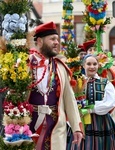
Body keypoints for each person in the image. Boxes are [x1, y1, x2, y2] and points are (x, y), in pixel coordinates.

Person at [28, 21, 83, 150]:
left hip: (56, 127)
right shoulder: (26, 64)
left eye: (57, 39)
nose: (57, 42)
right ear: (40, 41)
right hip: (30, 124)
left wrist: (77, 128)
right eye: (52, 39)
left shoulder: (60, 67)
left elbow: (69, 99)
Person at [67, 54, 115, 150]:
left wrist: (91, 109)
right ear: (83, 66)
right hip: (80, 121)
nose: (92, 67)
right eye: (89, 64)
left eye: (94, 64)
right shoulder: (76, 82)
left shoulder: (105, 82)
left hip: (101, 123)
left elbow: (110, 102)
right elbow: (69, 101)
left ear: (98, 66)